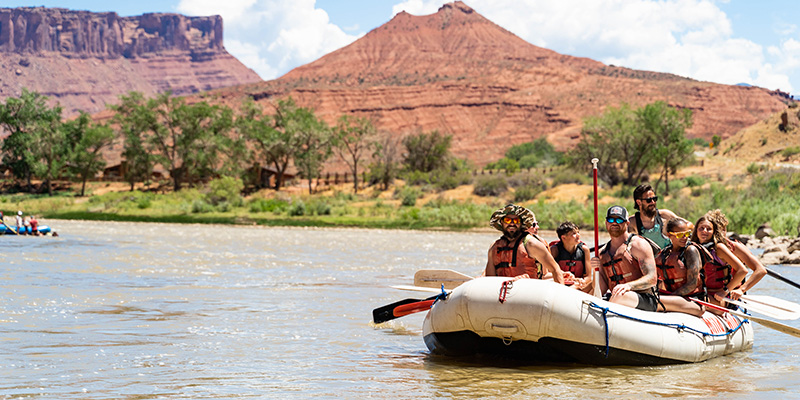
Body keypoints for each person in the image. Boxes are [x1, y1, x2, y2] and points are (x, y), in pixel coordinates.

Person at [590, 205, 659, 311]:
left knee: (620, 296)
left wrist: (628, 286)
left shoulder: (638, 245)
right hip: (616, 298)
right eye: (610, 219)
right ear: (606, 223)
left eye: (619, 220)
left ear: (627, 223)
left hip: (645, 299)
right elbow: (601, 289)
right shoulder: (602, 253)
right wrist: (595, 271)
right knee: (593, 298)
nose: (614, 223)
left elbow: (652, 279)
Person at [485, 204, 565, 284]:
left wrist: (561, 292)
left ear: (521, 223)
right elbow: (489, 279)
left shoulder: (532, 244)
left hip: (528, 292)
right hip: (503, 291)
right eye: (508, 220)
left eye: (516, 221)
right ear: (501, 223)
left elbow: (555, 270)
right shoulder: (494, 247)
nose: (512, 224)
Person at [691, 212, 748, 312]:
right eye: (701, 228)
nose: (704, 231)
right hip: (700, 294)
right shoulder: (692, 247)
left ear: (714, 232)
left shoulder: (719, 248)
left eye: (708, 229)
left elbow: (742, 270)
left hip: (719, 298)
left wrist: (725, 291)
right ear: (696, 231)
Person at [705, 209, 766, 293]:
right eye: (719, 229)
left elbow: (760, 270)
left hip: (728, 295)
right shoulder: (704, 246)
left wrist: (741, 290)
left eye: (724, 229)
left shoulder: (734, 247)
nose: (722, 233)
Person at [654, 218, 705, 317]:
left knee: (652, 301)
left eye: (687, 234)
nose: (685, 238)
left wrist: (670, 297)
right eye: (680, 235)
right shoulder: (664, 254)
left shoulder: (691, 251)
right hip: (673, 299)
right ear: (669, 235)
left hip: (693, 301)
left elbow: (692, 284)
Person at [628, 184, 679, 250]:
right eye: (648, 200)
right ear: (639, 202)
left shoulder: (665, 216)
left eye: (654, 199)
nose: (653, 202)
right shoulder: (631, 223)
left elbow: (686, 225)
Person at [549, 221, 592, 292]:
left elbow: (588, 277)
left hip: (578, 286)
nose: (578, 235)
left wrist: (582, 282)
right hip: (560, 285)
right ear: (563, 238)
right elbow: (548, 272)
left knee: (593, 283)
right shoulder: (554, 250)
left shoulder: (584, 250)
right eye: (574, 233)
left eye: (578, 232)